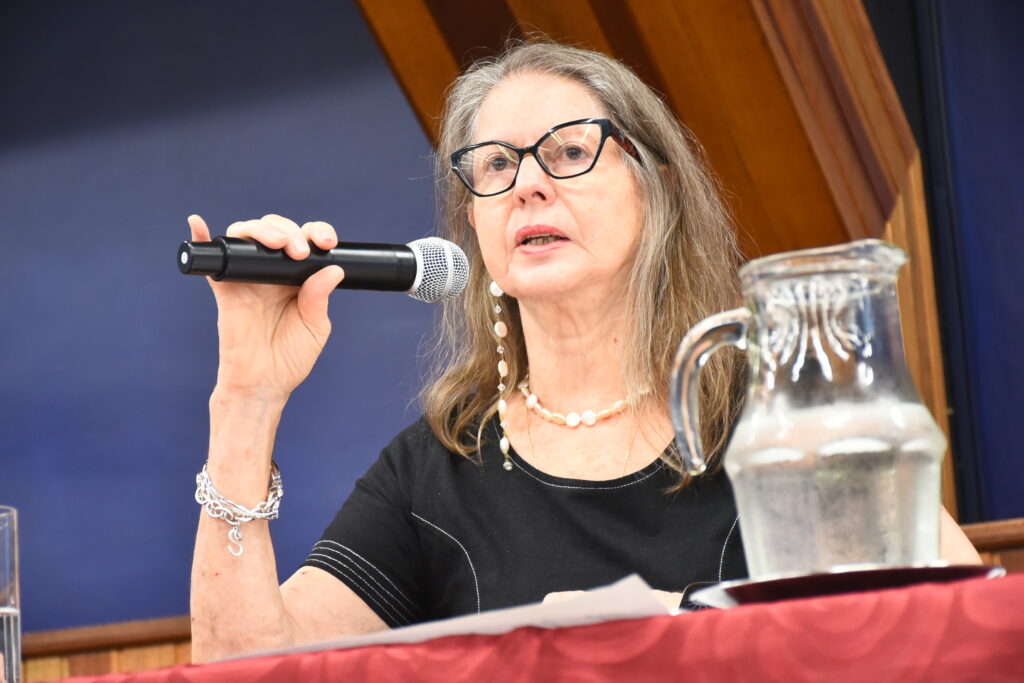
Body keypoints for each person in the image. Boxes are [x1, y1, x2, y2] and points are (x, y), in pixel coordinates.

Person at [188, 41, 981, 663]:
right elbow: (242, 668)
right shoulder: (434, 471)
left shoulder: (778, 420)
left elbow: (970, 627)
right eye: (496, 163)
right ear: (472, 226)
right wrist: (246, 397)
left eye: (569, 151)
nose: (528, 184)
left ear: (656, 185)